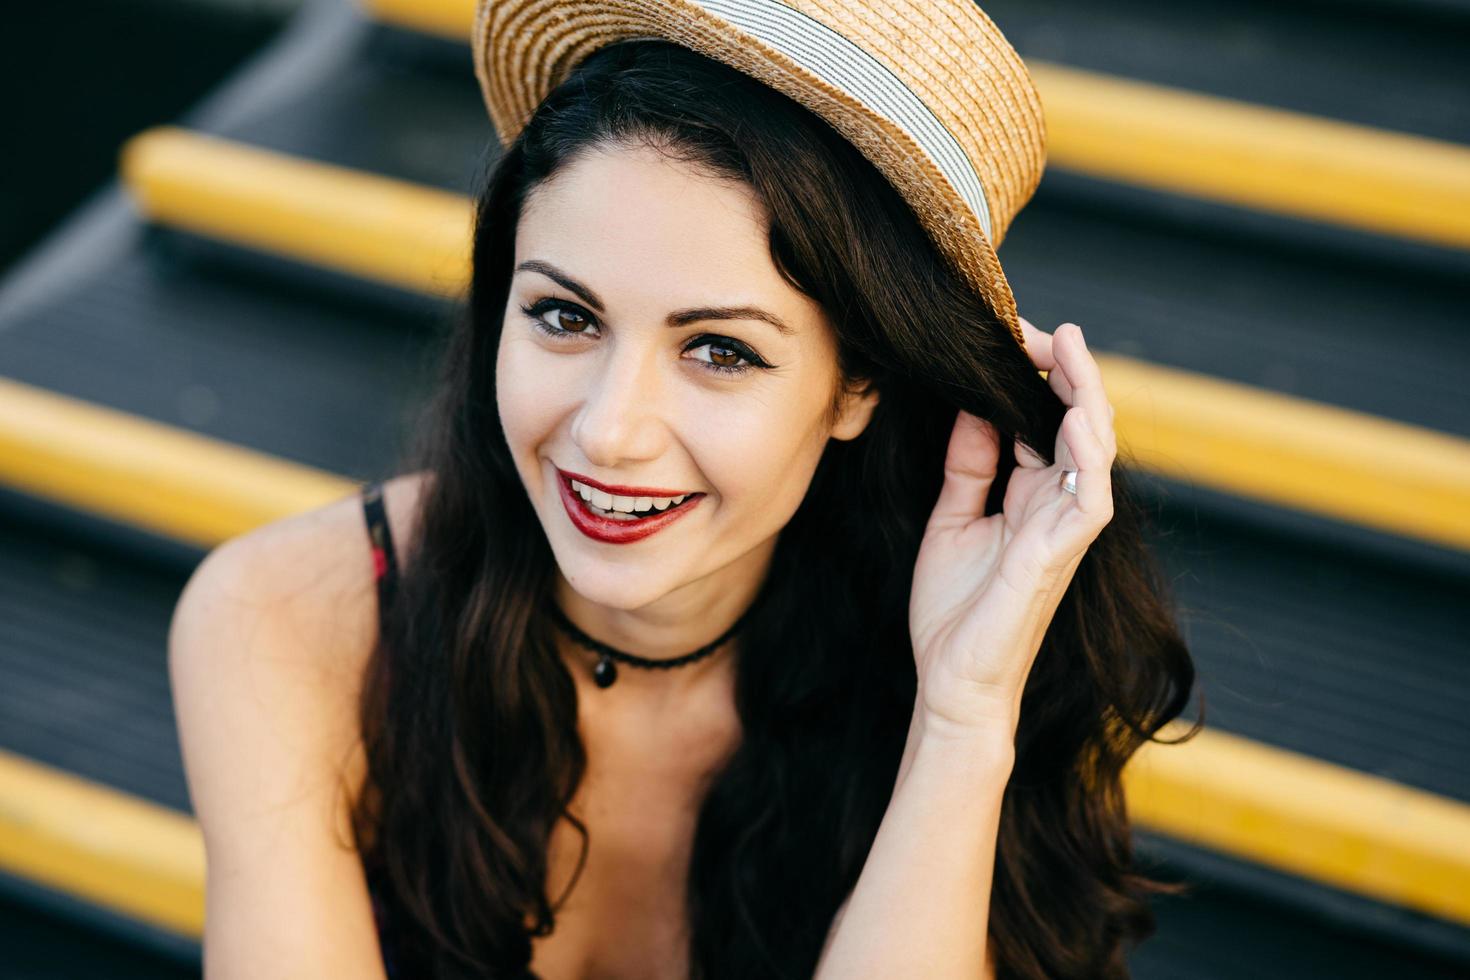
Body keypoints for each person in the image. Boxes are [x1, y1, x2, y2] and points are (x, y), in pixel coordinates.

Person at [169, 6, 1198, 980]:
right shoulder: (285, 616)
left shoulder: (955, 653)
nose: (609, 429)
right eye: (565, 317)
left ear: (858, 383)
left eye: (718, 349)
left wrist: (960, 722)